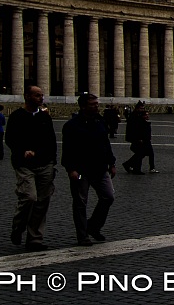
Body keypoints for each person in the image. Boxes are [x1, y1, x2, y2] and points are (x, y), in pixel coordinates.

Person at [5, 85, 57, 251]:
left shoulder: (45, 117)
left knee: (42, 202)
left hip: (45, 164)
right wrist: (22, 151)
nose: (41, 98)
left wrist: (51, 160)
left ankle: (35, 239)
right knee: (29, 197)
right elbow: (10, 139)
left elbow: (51, 141)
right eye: (37, 95)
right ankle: (18, 227)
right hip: (24, 163)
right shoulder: (16, 116)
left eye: (42, 95)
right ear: (26, 96)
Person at [62, 93, 116, 246]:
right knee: (80, 202)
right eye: (93, 104)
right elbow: (67, 150)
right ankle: (82, 235)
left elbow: (106, 144)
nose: (96, 106)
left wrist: (112, 163)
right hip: (80, 172)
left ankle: (93, 226)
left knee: (108, 196)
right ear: (83, 106)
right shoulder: (71, 125)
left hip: (100, 168)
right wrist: (71, 169)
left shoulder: (100, 121)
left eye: (97, 104)